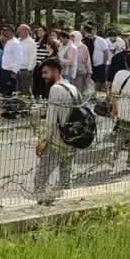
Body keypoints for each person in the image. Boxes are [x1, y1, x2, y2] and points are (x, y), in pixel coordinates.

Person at [34, 57, 79, 198]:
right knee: (66, 174)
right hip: (73, 138)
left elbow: (51, 121)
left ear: (55, 72)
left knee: (41, 175)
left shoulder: (55, 89)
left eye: (45, 72)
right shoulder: (73, 87)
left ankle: (38, 202)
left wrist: (42, 142)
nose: (43, 76)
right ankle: (66, 202)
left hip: (57, 140)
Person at [17, 25, 37, 95]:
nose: (18, 31)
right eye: (18, 29)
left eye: (21, 29)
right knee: (18, 90)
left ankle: (27, 105)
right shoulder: (17, 41)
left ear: (27, 31)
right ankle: (19, 105)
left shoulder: (31, 42)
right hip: (17, 69)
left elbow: (33, 57)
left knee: (26, 90)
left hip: (26, 70)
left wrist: (29, 70)